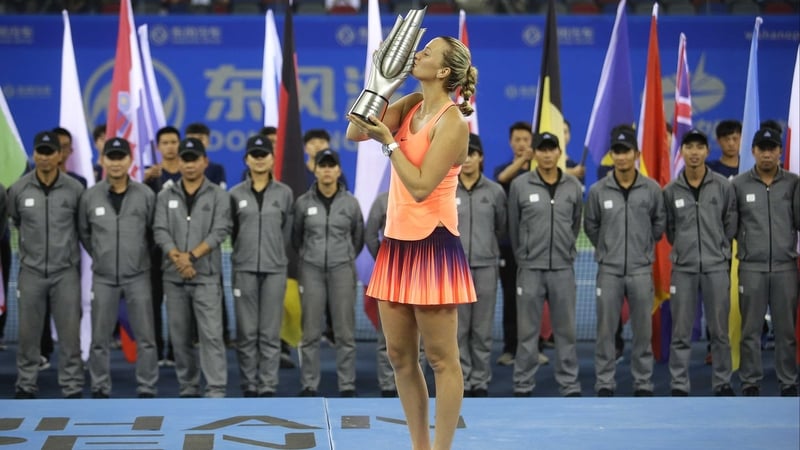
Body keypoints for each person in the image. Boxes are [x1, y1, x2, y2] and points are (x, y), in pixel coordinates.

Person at [346, 35, 477, 450]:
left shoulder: (453, 123)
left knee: (442, 359)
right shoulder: (407, 106)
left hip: (434, 245)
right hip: (397, 244)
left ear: (442, 72)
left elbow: (421, 187)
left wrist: (389, 142)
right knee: (400, 357)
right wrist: (380, 83)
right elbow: (354, 130)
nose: (416, 53)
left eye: (426, 52)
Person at [584, 125, 665, 397]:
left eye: (626, 151)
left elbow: (658, 224)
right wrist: (608, 250)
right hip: (609, 270)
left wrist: (642, 249)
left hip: (641, 270)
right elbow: (591, 226)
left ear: (636, 154)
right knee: (606, 331)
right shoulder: (598, 190)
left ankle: (643, 382)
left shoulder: (652, 189)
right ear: (611, 155)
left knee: (642, 331)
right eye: (616, 152)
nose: (621, 157)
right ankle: (605, 382)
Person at [78, 137, 159, 399]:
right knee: (100, 338)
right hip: (103, 277)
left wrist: (136, 258)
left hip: (138, 276)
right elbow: (84, 233)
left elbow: (153, 234)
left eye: (120, 157)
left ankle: (147, 386)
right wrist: (103, 256)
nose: (115, 163)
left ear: (130, 161)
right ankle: (100, 386)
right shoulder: (90, 196)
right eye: (111, 157)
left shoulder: (146, 195)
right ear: (103, 160)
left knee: (146, 337)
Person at [9, 131, 85, 399]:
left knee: (70, 336)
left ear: (59, 155)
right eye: (40, 152)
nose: (44, 157)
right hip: (31, 273)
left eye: (49, 152)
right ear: (34, 154)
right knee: (28, 336)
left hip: (65, 273)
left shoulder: (75, 189)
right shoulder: (18, 190)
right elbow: (17, 221)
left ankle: (72, 386)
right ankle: (26, 384)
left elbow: (82, 228)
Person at [153, 137, 232, 398]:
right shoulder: (166, 195)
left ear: (204, 162)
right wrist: (178, 257)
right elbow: (160, 229)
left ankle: (216, 387)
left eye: (193, 159)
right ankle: (188, 386)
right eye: (184, 160)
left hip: (206, 276)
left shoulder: (219, 195)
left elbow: (221, 229)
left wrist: (191, 257)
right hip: (174, 275)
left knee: (211, 335)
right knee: (180, 337)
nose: (188, 165)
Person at [508, 131, 583, 398]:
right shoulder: (520, 185)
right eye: (542, 149)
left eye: (552, 149)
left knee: (566, 333)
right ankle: (523, 384)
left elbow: (575, 224)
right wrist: (526, 256)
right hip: (530, 270)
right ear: (535, 153)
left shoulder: (573, 186)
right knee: (527, 334)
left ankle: (569, 385)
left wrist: (563, 251)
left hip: (563, 269)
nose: (547, 154)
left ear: (559, 153)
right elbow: (514, 227)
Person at [663, 129, 737, 397]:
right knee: (681, 332)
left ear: (707, 151)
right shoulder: (670, 191)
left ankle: (722, 382)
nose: (694, 152)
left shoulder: (723, 186)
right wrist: (685, 250)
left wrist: (716, 248)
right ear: (681, 152)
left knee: (719, 331)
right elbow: (670, 229)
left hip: (717, 267)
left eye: (699, 147)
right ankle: (679, 384)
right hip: (683, 269)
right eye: (689, 147)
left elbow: (730, 223)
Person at [732, 127, 799, 397]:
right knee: (750, 330)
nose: (767, 153)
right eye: (762, 148)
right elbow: (731, 225)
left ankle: (788, 381)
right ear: (753, 151)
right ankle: (750, 381)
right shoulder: (737, 184)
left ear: (780, 152)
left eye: (772, 148)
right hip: (751, 268)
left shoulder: (794, 183)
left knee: (786, 331)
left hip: (784, 267)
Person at [292, 148, 364, 397]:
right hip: (311, 270)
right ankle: (309, 384)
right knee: (310, 331)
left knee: (344, 331)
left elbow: (358, 238)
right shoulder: (303, 203)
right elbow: (296, 237)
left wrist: (341, 257)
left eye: (331, 165)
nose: (326, 170)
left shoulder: (351, 203)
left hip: (342, 269)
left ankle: (347, 384)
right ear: (315, 169)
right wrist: (310, 257)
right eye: (322, 165)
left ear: (338, 170)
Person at [229, 135, 294, 397]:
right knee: (246, 334)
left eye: (263, 154)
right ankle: (249, 385)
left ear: (272, 158)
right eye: (254, 154)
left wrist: (275, 253)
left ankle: (267, 385)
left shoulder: (284, 193)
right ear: (246, 159)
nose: (259, 158)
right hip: (243, 269)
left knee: (269, 332)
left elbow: (288, 232)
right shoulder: (234, 195)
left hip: (275, 269)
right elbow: (231, 231)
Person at [456, 133, 507, 398]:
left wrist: (486, 249)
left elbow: (501, 227)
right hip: (455, 270)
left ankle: (480, 380)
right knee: (459, 329)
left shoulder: (495, 192)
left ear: (480, 158)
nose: (467, 160)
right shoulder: (446, 189)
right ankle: (462, 379)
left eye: (472, 154)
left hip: (487, 267)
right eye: (462, 154)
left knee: (482, 329)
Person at [184, 122, 232, 348]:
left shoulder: (216, 170)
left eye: (201, 137)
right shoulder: (180, 175)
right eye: (193, 137)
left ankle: (222, 335)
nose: (197, 140)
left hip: (209, 245)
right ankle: (190, 337)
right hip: (182, 250)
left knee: (216, 293)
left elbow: (219, 202)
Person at [492, 121, 534, 367]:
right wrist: (524, 160)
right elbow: (502, 178)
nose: (521, 144)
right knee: (510, 298)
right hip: (508, 247)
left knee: (534, 300)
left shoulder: (540, 170)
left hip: (534, 248)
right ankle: (510, 347)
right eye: (517, 140)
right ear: (511, 143)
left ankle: (534, 346)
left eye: (526, 140)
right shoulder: (504, 169)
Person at [144, 125, 182, 367]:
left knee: (181, 307)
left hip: (183, 252)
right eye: (165, 143)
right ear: (158, 147)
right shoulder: (152, 178)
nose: (170, 147)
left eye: (173, 142)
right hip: (156, 252)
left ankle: (178, 352)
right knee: (154, 303)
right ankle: (158, 351)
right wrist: (145, 180)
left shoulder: (189, 174)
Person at [364, 191, 400, 398]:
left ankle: (415, 382)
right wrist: (384, 259)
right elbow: (370, 234)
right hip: (390, 275)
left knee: (420, 337)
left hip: (421, 275)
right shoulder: (383, 200)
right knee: (386, 334)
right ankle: (387, 384)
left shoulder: (428, 196)